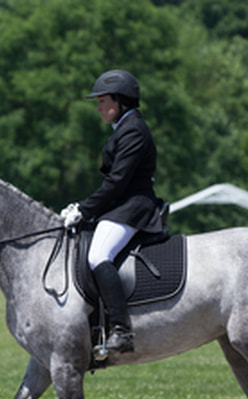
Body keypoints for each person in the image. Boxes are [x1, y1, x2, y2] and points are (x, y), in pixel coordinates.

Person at [60, 70, 164, 354]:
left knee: (98, 255)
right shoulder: (125, 128)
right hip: (121, 204)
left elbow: (117, 182)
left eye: (103, 100)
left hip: (133, 208)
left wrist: (84, 208)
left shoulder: (134, 131)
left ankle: (121, 329)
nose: (98, 107)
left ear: (121, 101)